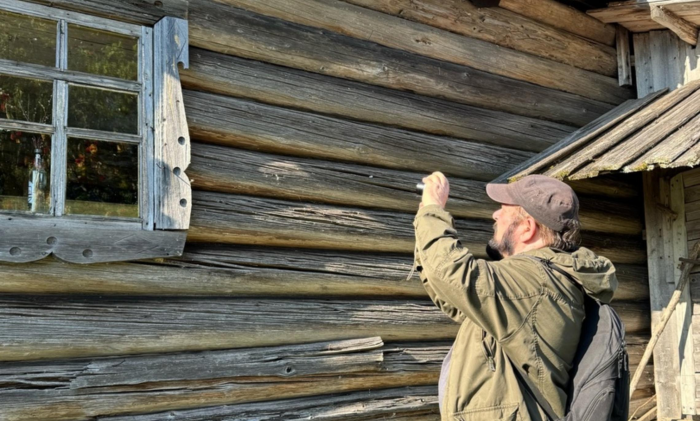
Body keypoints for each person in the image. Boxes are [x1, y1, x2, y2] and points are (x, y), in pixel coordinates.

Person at [413, 172, 618, 421]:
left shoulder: (534, 280)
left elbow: (452, 273)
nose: (495, 215)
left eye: (503, 210)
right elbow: (454, 297)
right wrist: (425, 220)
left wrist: (434, 210)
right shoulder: (538, 280)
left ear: (527, 228)